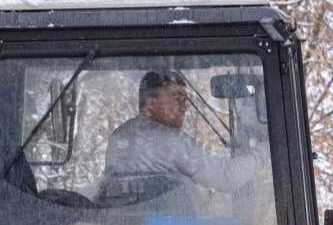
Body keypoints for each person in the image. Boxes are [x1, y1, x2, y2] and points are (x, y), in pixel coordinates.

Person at [100, 70, 264, 201]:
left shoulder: (118, 137)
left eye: (185, 101)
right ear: (151, 104)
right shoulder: (170, 141)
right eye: (177, 99)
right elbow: (227, 178)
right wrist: (269, 148)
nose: (184, 108)